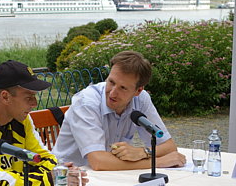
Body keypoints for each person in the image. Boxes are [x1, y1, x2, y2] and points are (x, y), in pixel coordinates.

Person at [53, 51, 186, 170]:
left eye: (122, 88)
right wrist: (158, 162)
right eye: (111, 82)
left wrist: (142, 152)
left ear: (138, 90)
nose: (112, 93)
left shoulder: (142, 99)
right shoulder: (86, 103)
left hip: (112, 175)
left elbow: (168, 146)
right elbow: (98, 162)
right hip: (70, 177)